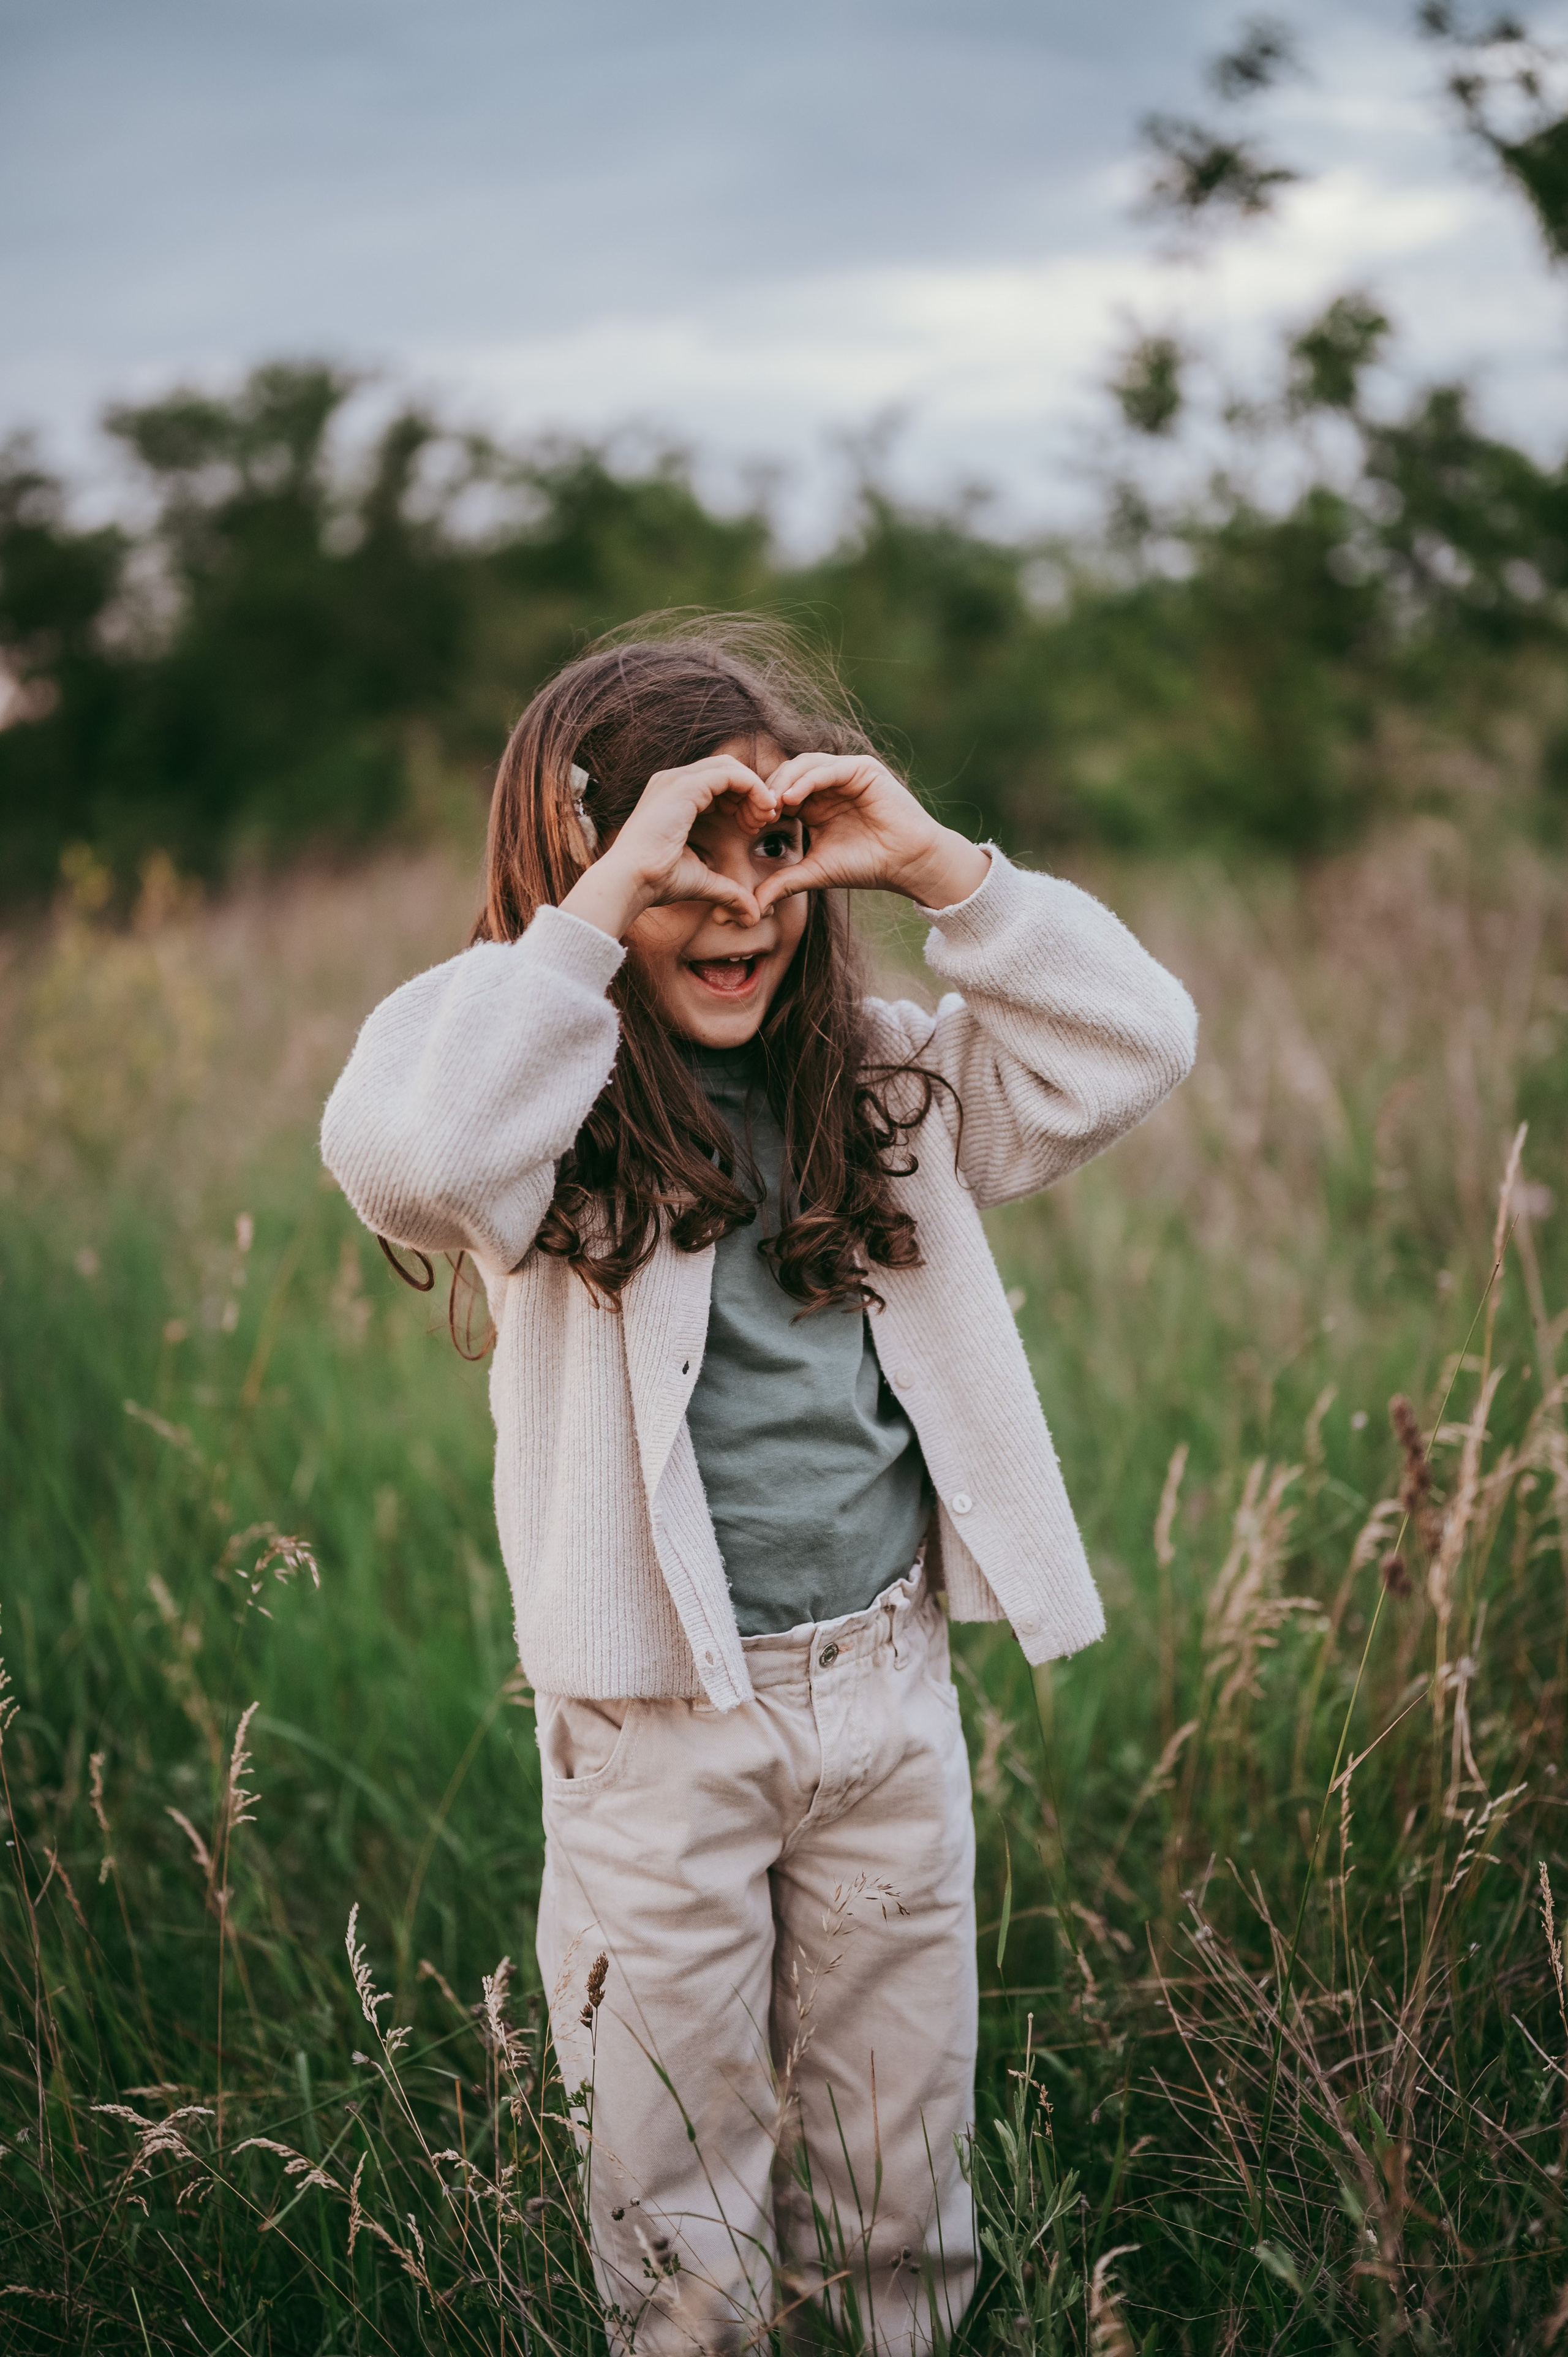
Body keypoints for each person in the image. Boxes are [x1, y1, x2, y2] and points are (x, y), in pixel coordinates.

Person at [320, 618, 1196, 2355]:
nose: (733, 911)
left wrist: (942, 861)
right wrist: (592, 912)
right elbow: (409, 1160)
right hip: (657, 1730)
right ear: (579, 878)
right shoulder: (534, 1093)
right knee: (680, 2225)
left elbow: (1134, 1042)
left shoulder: (881, 1072)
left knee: (898, 2185)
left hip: (882, 1700)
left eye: (767, 861)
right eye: (675, 871)